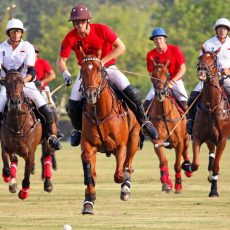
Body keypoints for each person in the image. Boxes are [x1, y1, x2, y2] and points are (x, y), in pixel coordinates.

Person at [56, 4, 158, 146]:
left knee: (131, 92)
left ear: (88, 21)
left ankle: (144, 122)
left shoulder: (101, 30)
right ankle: (78, 130)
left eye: (82, 21)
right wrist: (65, 72)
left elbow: (121, 47)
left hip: (108, 67)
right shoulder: (70, 37)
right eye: (76, 22)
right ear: (73, 23)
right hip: (86, 71)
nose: (79, 25)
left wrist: (102, 61)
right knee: (72, 104)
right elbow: (61, 60)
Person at [0, 18, 61, 150]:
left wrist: (22, 82)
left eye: (18, 31)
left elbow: (32, 71)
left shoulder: (27, 47)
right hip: (7, 86)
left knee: (43, 105)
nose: (16, 34)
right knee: (0, 103)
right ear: (8, 33)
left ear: (22, 33)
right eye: (13, 32)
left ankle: (51, 136)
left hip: (26, 83)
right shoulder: (1, 48)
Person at [186, 18, 230, 134]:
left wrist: (229, 70)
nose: (222, 31)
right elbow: (200, 62)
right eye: (220, 28)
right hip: (209, 79)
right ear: (216, 30)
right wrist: (201, 71)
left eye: (225, 29)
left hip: (226, 78)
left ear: (228, 31)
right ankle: (190, 121)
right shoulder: (208, 44)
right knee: (192, 98)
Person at [143, 27, 188, 111]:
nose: (158, 41)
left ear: (165, 39)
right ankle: (144, 123)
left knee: (184, 101)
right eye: (155, 39)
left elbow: (183, 69)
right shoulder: (150, 54)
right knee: (146, 103)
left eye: (160, 38)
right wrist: (158, 83)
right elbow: (151, 73)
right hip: (159, 83)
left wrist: (172, 81)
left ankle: (189, 122)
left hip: (175, 81)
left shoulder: (175, 50)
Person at [34, 45, 64, 138]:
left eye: (33, 52)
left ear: (36, 54)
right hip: (28, 88)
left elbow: (52, 75)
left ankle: (56, 130)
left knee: (51, 107)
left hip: (42, 89)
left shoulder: (43, 63)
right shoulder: (23, 63)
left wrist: (42, 82)